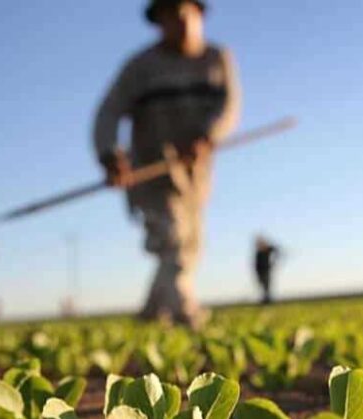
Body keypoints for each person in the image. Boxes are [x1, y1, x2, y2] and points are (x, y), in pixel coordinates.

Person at [94, 0, 241, 328]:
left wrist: (207, 136)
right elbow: (108, 112)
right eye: (170, 17)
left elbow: (229, 106)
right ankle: (185, 313)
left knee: (190, 244)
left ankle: (151, 313)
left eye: (185, 14)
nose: (180, 23)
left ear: (200, 16)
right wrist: (109, 154)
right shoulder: (140, 67)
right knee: (171, 239)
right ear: (158, 22)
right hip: (151, 172)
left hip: (195, 175)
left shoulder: (218, 59)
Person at [254, 236, 280, 304]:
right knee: (263, 286)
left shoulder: (267, 249)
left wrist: (274, 261)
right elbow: (256, 264)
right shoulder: (258, 253)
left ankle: (268, 300)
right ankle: (266, 299)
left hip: (266, 270)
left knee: (267, 285)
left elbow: (277, 250)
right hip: (260, 272)